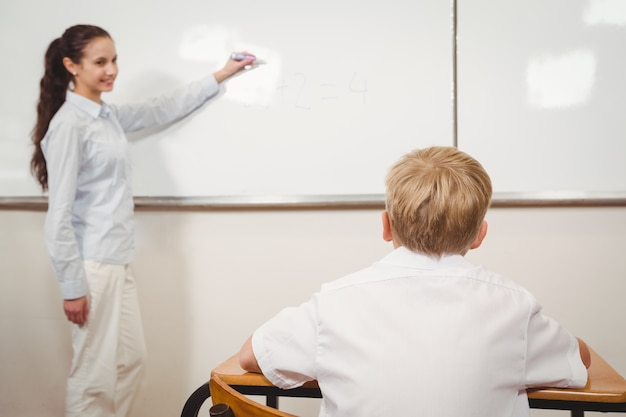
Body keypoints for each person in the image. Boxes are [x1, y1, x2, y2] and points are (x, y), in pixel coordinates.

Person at [239, 146, 592, 417]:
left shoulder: (335, 301)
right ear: (479, 235)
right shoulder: (513, 305)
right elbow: (580, 358)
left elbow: (251, 356)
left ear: (386, 226)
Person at [30, 24, 255, 417]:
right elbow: (59, 215)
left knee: (131, 362)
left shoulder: (106, 116)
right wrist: (72, 287)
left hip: (118, 260)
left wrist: (221, 74)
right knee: (93, 375)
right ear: (71, 65)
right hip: (92, 267)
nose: (112, 69)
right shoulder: (70, 125)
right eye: (100, 62)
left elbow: (160, 108)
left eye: (114, 60)